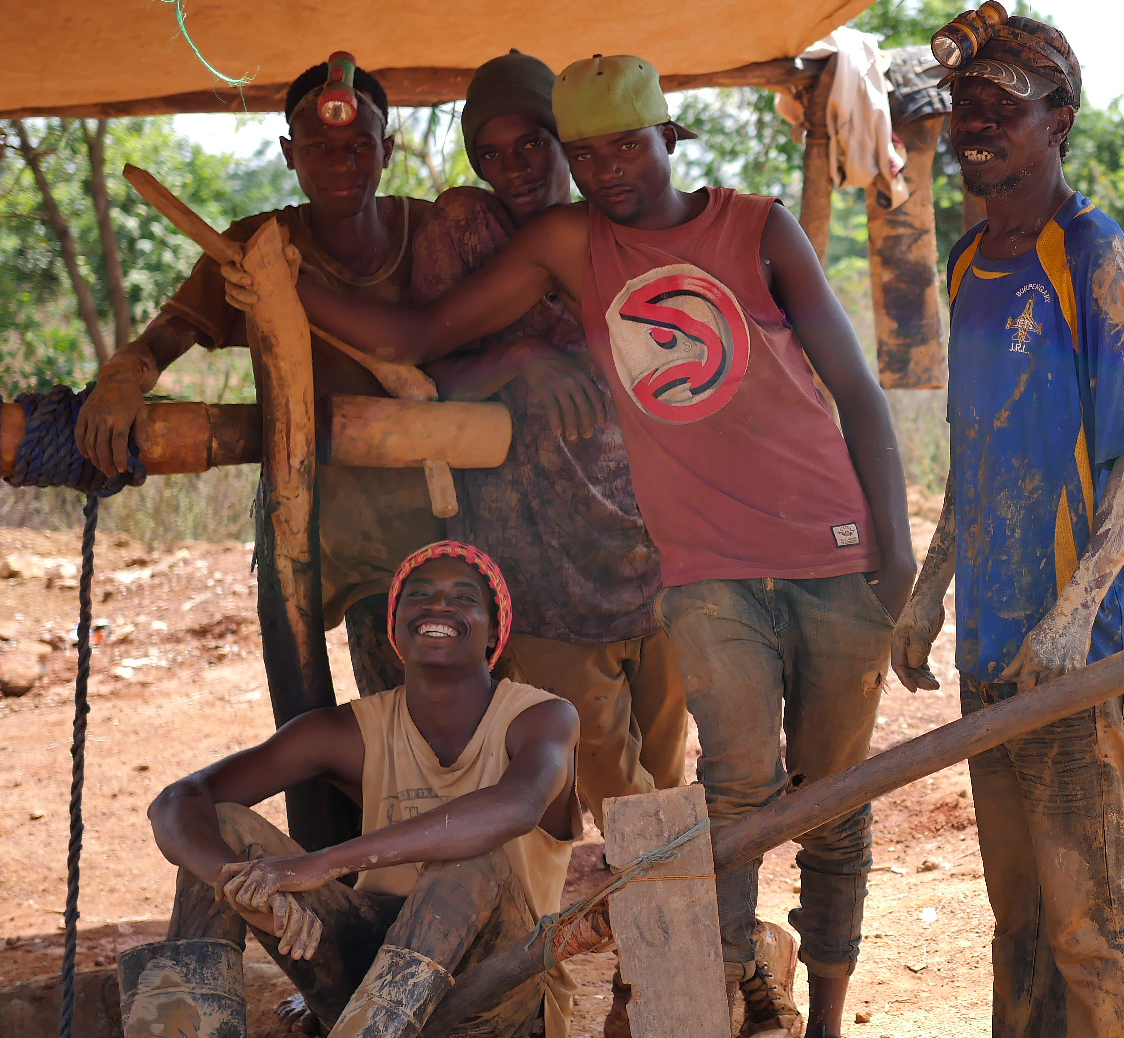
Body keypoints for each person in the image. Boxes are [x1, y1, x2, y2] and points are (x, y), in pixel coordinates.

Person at [223, 53, 916, 1038]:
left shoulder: (757, 226)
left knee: (832, 799)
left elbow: (854, 389)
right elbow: (420, 329)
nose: (604, 169)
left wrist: (892, 557)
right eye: (583, 153)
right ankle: (696, 1001)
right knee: (725, 796)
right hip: (691, 571)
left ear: (667, 137)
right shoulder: (558, 241)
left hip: (812, 549)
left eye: (619, 145)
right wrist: (285, 289)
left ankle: (818, 1013)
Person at [890, 8, 1124, 1038]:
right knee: (1018, 918)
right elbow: (977, 459)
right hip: (993, 642)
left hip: (1077, 652)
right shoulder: (969, 263)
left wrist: (1077, 611)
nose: (977, 125)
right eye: (966, 107)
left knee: (1090, 921)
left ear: (1057, 121)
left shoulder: (1089, 250)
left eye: (1003, 107)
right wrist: (929, 596)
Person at [75, 56, 438, 698]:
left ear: (388, 148)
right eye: (318, 147)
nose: (341, 163)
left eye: (359, 145)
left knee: (443, 712)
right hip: (311, 526)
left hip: (440, 522)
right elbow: (161, 341)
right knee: (328, 712)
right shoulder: (254, 247)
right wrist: (122, 379)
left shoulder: (433, 231)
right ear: (288, 154)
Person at [129, 541, 582, 1038]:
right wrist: (240, 885)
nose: (439, 606)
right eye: (420, 594)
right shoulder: (350, 732)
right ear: (395, 625)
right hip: (369, 975)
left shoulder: (541, 718)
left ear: (495, 628)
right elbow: (178, 801)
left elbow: (515, 807)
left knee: (476, 858)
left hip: (497, 989)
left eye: (465, 597)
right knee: (223, 830)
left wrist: (324, 862)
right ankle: (182, 1029)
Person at [411, 51, 688, 811]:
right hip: (542, 569)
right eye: (490, 152)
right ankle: (661, 915)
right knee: (609, 781)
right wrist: (520, 354)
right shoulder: (465, 228)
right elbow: (422, 377)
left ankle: (680, 923)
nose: (515, 167)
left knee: (669, 772)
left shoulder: (618, 224)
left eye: (532, 142)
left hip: (653, 547)